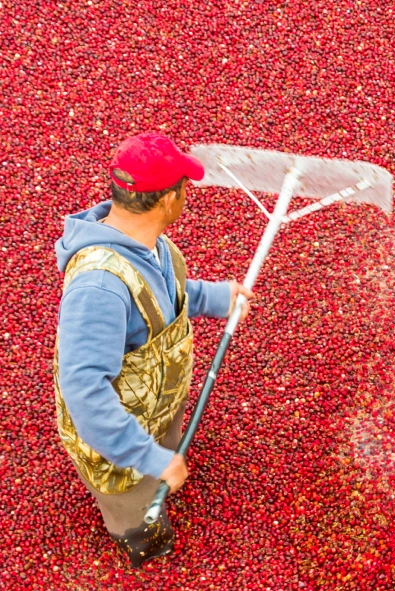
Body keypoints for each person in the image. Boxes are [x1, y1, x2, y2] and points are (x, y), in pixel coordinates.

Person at [53, 132, 253, 567]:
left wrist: (217, 297)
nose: (187, 196)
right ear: (167, 200)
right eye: (184, 188)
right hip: (115, 434)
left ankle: (162, 459)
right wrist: (148, 457)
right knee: (132, 498)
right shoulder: (99, 286)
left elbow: (163, 295)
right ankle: (137, 532)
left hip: (155, 402)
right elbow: (84, 388)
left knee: (166, 447)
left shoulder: (149, 243)